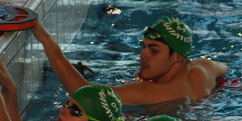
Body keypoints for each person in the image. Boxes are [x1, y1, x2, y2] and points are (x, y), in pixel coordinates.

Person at [31, 16, 228, 106]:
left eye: (154, 50)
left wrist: (46, 40)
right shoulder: (205, 68)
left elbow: (82, 91)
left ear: (177, 58)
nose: (143, 55)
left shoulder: (152, 92)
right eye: (144, 47)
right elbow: (225, 69)